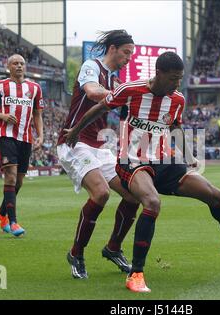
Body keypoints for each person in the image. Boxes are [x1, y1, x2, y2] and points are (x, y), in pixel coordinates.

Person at [65, 51, 220, 293]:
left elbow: (175, 126)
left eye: (180, 78)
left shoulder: (177, 99)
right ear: (159, 74)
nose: (177, 84)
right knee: (152, 202)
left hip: (164, 161)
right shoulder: (131, 90)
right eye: (173, 78)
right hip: (131, 160)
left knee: (214, 194)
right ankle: (136, 274)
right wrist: (76, 131)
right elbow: (99, 109)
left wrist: (190, 156)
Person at [56, 30, 140, 279]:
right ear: (112, 48)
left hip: (99, 146)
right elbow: (92, 92)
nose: (128, 58)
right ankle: (76, 253)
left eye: (131, 55)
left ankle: (113, 248)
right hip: (74, 140)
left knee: (134, 195)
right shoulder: (91, 67)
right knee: (101, 193)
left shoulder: (116, 82)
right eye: (126, 52)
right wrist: (127, 94)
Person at [0, 54, 44, 237]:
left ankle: (1, 212)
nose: (19, 66)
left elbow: (38, 114)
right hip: (6, 136)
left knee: (19, 181)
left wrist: (41, 135)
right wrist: (2, 116)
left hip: (25, 138)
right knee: (10, 177)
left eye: (22, 63)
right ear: (8, 66)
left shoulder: (35, 88)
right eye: (15, 63)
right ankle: (13, 222)